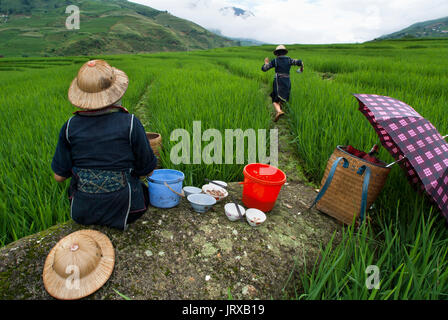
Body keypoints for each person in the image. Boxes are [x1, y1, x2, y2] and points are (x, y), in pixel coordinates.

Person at [51, 59, 158, 230]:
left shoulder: (69, 127)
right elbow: (148, 170)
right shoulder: (130, 123)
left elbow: (59, 177)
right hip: (129, 210)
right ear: (117, 92)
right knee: (144, 191)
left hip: (82, 212)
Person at [261, 45, 304, 122]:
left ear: (277, 53)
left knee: (274, 97)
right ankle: (280, 111)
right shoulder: (289, 60)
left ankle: (279, 111)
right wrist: (301, 69)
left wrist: (266, 63)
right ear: (284, 52)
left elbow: (264, 69)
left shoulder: (276, 61)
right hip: (287, 81)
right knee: (283, 96)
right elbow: (300, 62)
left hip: (278, 81)